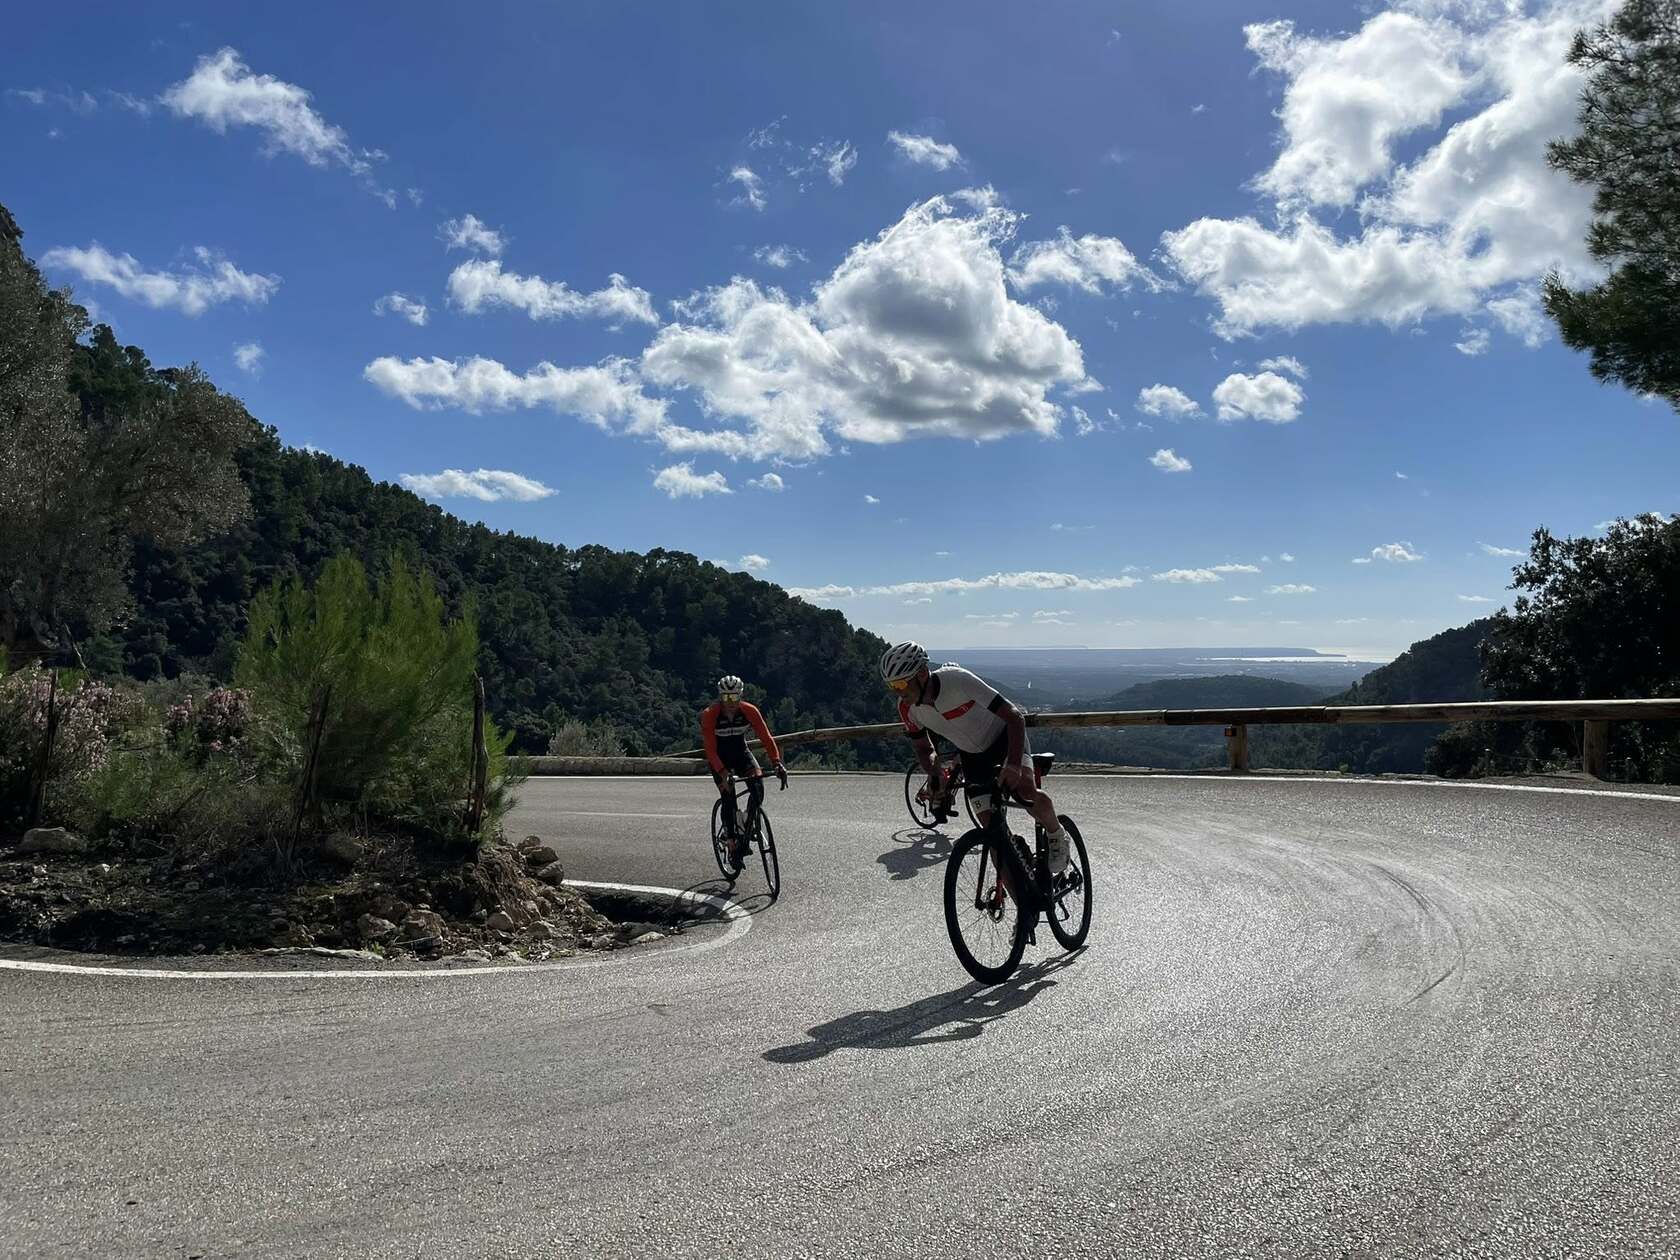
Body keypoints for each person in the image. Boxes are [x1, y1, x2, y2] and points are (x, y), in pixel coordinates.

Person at [879, 642, 1069, 872]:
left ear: (921, 674)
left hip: (1003, 738)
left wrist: (1014, 765)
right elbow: (923, 747)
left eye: (900, 684)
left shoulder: (957, 680)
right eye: (891, 686)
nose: (897, 691)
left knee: (1025, 791)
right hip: (972, 756)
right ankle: (1021, 886)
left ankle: (1056, 833)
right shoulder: (906, 707)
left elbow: (1014, 717)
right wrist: (935, 773)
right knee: (992, 832)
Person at [700, 674, 788, 867]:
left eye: (734, 697)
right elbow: (710, 751)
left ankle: (746, 822)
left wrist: (777, 763)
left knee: (758, 787)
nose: (730, 702)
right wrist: (723, 773)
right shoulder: (710, 715)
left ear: (740, 695)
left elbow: (766, 738)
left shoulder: (749, 711)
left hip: (741, 753)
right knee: (728, 795)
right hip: (719, 758)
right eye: (726, 697)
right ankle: (731, 841)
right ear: (720, 697)